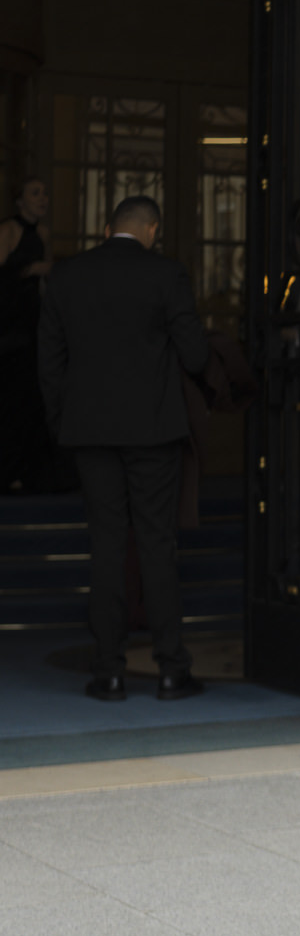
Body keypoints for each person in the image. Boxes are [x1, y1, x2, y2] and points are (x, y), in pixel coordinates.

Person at [37, 194, 209, 704]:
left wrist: (60, 423)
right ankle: (171, 670)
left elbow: (49, 361)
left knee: (106, 547)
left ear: (108, 226)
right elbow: (196, 354)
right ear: (152, 228)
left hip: (89, 432)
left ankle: (108, 671)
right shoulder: (166, 275)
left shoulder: (67, 277)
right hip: (153, 431)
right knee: (157, 546)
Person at [0, 176, 53, 493]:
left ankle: (27, 470)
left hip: (33, 323)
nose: (43, 198)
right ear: (19, 200)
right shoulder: (7, 230)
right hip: (7, 324)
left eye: (45, 192)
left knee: (31, 398)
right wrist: (32, 270)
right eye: (35, 193)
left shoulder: (43, 233)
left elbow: (46, 282)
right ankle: (8, 471)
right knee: (9, 396)